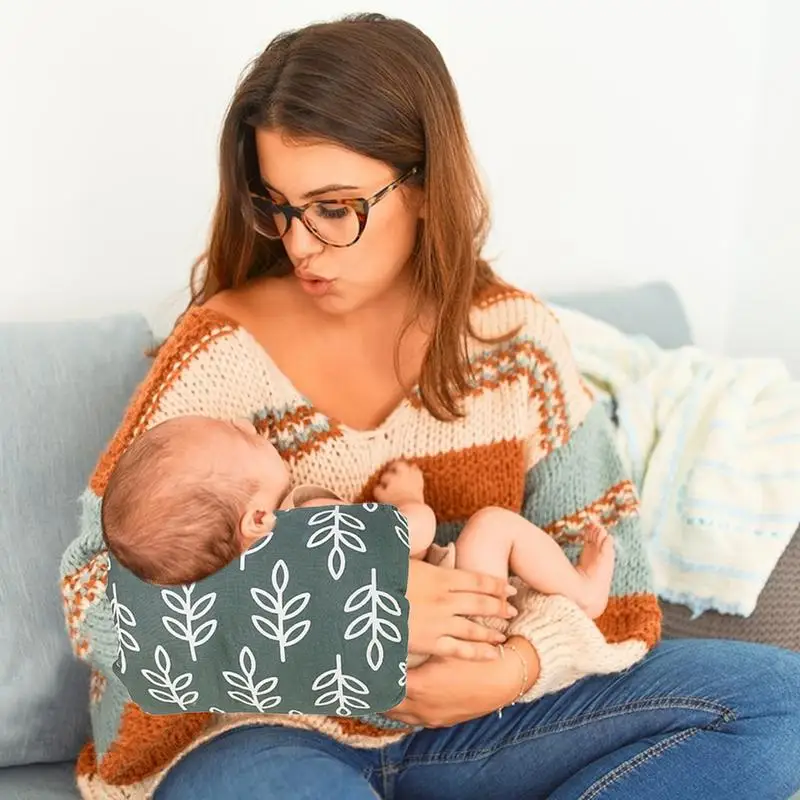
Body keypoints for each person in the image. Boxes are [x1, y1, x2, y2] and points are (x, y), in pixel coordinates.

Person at [59, 12, 800, 800]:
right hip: (267, 739)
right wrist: (337, 625)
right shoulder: (218, 353)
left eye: (334, 207)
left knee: (774, 703)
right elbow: (94, 598)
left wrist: (514, 670)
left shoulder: (517, 343)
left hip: (483, 726)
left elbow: (615, 591)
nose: (299, 242)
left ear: (422, 185)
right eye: (275, 205)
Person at [100, 414, 615, 632]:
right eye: (240, 436)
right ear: (258, 518)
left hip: (402, 666)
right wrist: (411, 498)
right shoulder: (308, 524)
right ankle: (584, 592)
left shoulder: (244, 588)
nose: (244, 423)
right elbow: (415, 533)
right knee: (491, 526)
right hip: (461, 619)